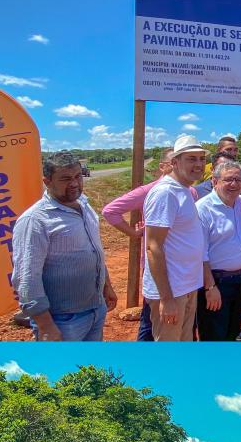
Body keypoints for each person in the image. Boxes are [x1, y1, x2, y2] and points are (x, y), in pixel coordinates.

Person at [12, 151, 117, 341]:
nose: (75, 183)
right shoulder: (35, 220)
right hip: (61, 320)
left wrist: (106, 286)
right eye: (66, 179)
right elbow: (26, 278)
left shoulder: (84, 206)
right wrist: (45, 326)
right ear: (47, 181)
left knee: (91, 367)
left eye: (78, 176)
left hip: (95, 309)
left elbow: (95, 251)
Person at [102, 148, 198, 341]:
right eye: (173, 162)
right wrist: (134, 233)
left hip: (185, 276)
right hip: (159, 268)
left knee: (178, 329)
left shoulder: (190, 191)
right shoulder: (154, 191)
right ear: (165, 166)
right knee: (153, 322)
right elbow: (110, 211)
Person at [143, 135, 206, 341]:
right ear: (174, 162)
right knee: (169, 356)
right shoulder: (165, 193)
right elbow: (153, 246)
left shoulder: (184, 190)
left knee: (184, 346)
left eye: (201, 158)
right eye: (191, 159)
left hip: (186, 286)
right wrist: (166, 298)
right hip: (172, 291)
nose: (198, 164)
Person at [197, 161, 241, 341]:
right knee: (214, 336)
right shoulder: (202, 208)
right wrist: (210, 287)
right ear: (214, 180)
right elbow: (201, 254)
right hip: (216, 282)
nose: (234, 184)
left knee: (233, 332)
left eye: (238, 179)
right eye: (228, 179)